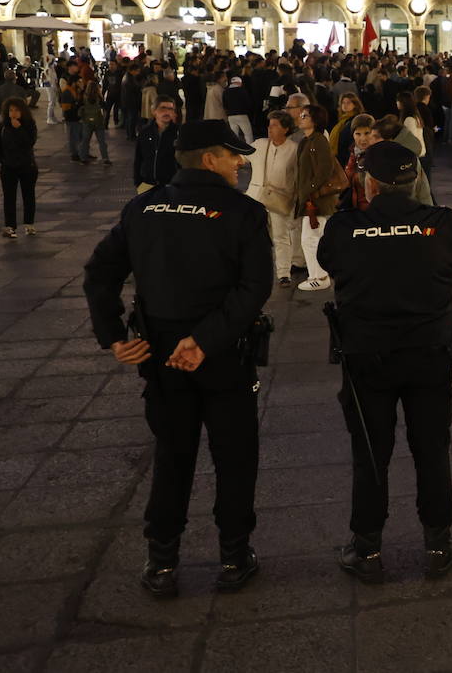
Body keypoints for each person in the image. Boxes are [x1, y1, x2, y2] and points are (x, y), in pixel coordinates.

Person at [82, 120, 272, 597]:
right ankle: (233, 556)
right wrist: (206, 340)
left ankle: (162, 561)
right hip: (224, 354)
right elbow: (254, 288)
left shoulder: (142, 207)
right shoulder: (243, 211)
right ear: (209, 159)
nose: (240, 162)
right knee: (235, 456)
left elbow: (99, 274)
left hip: (162, 355)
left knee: (173, 456)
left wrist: (113, 336)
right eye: (232, 155)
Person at [318, 141, 452, 583]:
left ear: (370, 182)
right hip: (429, 355)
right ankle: (438, 545)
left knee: (370, 454)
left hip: (368, 359)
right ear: (414, 179)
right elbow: (449, 261)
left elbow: (328, 261)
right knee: (432, 450)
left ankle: (367, 550)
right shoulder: (440, 223)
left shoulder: (346, 228)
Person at [247, 110, 300, 288]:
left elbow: (297, 176)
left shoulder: (293, 149)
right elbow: (241, 158)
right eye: (269, 125)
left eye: (275, 125)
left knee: (281, 236)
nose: (270, 129)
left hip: (280, 199)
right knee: (254, 237)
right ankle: (254, 271)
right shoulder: (260, 144)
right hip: (256, 198)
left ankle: (284, 273)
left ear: (286, 129)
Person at [293, 105, 340, 291]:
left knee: (311, 238)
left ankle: (319, 277)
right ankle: (317, 275)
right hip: (310, 197)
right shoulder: (308, 141)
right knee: (312, 237)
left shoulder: (318, 140)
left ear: (315, 120)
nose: (300, 117)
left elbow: (325, 169)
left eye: (305, 115)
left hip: (316, 198)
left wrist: (309, 190)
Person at [0, 97, 39, 239]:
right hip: (8, 167)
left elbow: (30, 142)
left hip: (27, 166)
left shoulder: (29, 124)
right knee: (9, 197)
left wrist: (19, 129)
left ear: (22, 111)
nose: (13, 113)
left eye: (16, 110)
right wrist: (2, 160)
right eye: (11, 110)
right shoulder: (3, 126)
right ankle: (10, 226)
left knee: (28, 195)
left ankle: (29, 224)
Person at [134, 97, 180, 193]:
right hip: (146, 184)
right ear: (154, 111)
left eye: (170, 109)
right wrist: (138, 183)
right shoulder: (144, 132)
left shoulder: (179, 133)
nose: (167, 112)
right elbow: (138, 158)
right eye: (163, 108)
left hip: (171, 185)